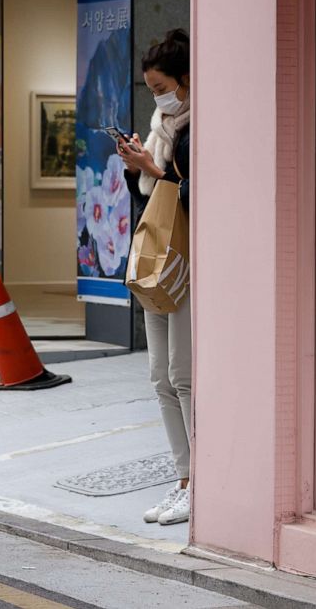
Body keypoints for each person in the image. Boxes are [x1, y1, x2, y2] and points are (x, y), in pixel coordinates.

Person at [118, 28, 192, 526]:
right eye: (150, 89)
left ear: (187, 79)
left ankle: (202, 481)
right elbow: (150, 201)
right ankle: (184, 477)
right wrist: (138, 166)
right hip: (156, 262)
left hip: (188, 262)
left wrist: (157, 170)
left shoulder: (200, 126)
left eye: (161, 85)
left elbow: (202, 196)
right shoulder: (164, 123)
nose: (158, 96)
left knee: (184, 376)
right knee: (159, 377)